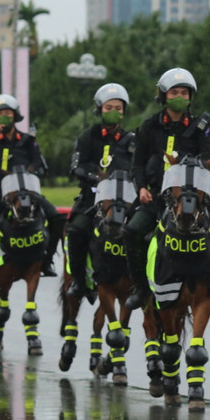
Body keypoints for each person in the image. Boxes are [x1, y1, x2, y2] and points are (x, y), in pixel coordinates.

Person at [122, 68, 210, 308]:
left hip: (193, 197)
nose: (179, 96)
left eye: (184, 92)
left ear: (190, 97)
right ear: (163, 96)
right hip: (155, 197)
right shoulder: (148, 126)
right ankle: (140, 287)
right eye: (174, 92)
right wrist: (141, 188)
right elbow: (137, 164)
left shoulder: (201, 127)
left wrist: (205, 164)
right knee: (132, 231)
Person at [0, 94, 65, 290]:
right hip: (0, 195)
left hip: (28, 193)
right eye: (0, 114)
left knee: (56, 217)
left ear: (15, 116)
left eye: (8, 113)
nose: (4, 117)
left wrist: (31, 170)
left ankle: (47, 261)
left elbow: (40, 164)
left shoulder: (27, 140)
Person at [64, 83, 136, 300]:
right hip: (91, 198)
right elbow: (76, 166)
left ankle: (138, 281)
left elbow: (138, 167)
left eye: (118, 108)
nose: (113, 112)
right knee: (75, 232)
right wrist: (95, 177)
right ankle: (78, 281)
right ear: (99, 109)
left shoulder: (132, 140)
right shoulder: (88, 136)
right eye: (108, 107)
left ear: (123, 111)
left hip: (123, 199)